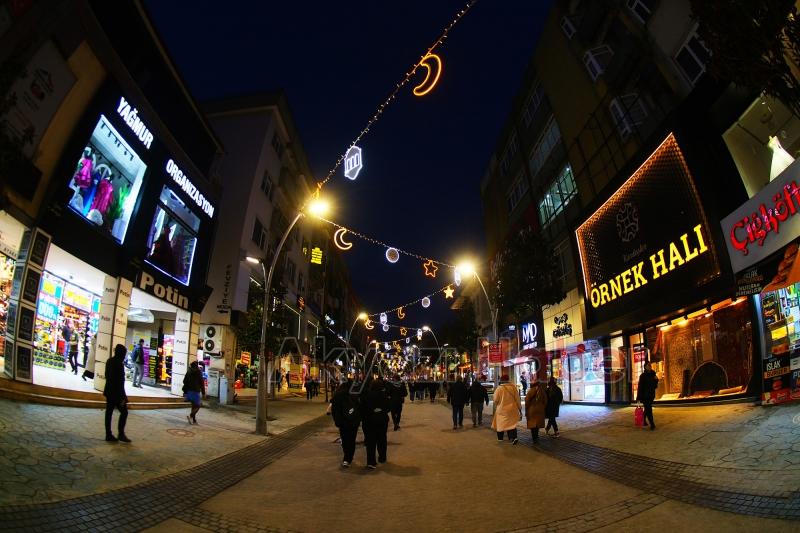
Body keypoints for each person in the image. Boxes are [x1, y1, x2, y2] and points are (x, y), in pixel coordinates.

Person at [103, 344, 130, 443]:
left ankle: (108, 434)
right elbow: (120, 382)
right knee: (124, 412)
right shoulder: (119, 364)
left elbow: (107, 376)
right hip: (117, 394)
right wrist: (123, 397)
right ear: (121, 354)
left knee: (109, 413)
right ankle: (121, 434)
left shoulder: (109, 361)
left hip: (109, 391)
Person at [362, 378, 390, 469]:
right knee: (382, 439)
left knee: (370, 441)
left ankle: (371, 462)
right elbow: (388, 407)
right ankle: (382, 457)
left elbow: (363, 407)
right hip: (382, 420)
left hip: (369, 421)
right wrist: (380, 410)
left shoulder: (367, 395)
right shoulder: (384, 395)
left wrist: (372, 411)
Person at [332, 380, 361, 467]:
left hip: (343, 422)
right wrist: (358, 420)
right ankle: (349, 458)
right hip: (353, 422)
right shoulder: (355, 395)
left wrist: (337, 421)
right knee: (352, 440)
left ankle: (346, 457)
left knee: (345, 440)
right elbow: (359, 408)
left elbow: (334, 410)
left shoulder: (338, 395)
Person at [492, 374, 521, 444]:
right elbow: (517, 399)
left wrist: (498, 404)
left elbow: (495, 400)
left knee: (500, 424)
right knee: (511, 424)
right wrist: (519, 408)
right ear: (508, 380)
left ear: (501, 380)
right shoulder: (513, 387)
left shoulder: (499, 388)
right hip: (512, 409)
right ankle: (513, 437)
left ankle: (500, 439)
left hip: (502, 410)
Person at [637, 361, 659, 430]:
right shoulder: (642, 376)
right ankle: (652, 424)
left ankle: (643, 420)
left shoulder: (653, 374)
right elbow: (640, 387)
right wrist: (638, 397)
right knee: (649, 409)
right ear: (645, 367)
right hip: (644, 396)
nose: (650, 366)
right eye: (648, 365)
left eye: (650, 365)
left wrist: (656, 380)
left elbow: (655, 386)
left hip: (651, 395)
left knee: (647, 408)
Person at [525, 378, 548, 443]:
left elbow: (527, 401)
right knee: (537, 424)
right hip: (540, 410)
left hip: (532, 409)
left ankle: (534, 438)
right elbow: (545, 401)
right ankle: (536, 437)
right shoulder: (542, 391)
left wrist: (527, 410)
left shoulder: (530, 391)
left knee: (532, 424)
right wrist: (542, 407)